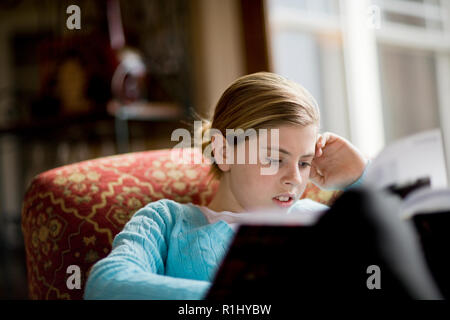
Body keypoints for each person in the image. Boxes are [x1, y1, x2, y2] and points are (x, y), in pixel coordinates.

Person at [83, 72, 369, 300]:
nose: (295, 178)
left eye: (305, 163)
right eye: (273, 158)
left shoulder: (317, 219)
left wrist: (361, 176)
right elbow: (106, 286)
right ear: (224, 151)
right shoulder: (168, 222)